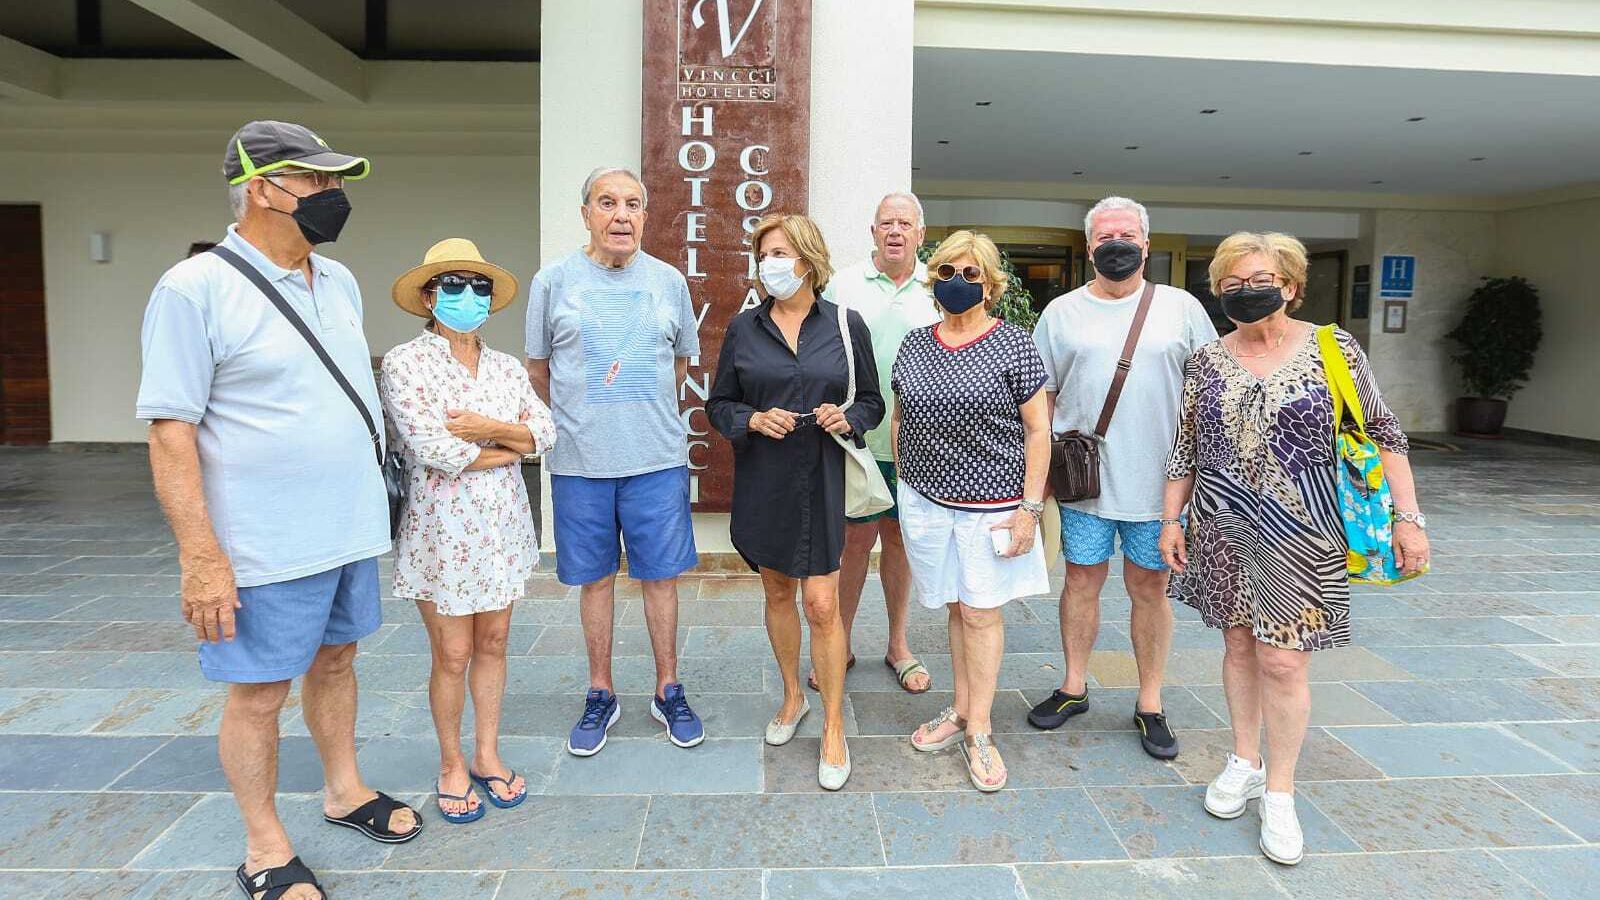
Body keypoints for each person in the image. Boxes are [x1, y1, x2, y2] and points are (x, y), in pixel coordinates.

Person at [137, 120, 419, 900]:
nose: (334, 197)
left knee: (338, 660)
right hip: (262, 544)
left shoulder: (340, 280)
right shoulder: (194, 289)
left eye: (337, 183)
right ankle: (264, 847)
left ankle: (344, 790)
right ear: (262, 187)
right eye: (317, 182)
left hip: (346, 529)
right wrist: (201, 557)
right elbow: (170, 434)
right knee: (259, 693)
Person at [1160, 231, 1430, 865]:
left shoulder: (1332, 348)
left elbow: (1387, 435)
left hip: (1304, 533)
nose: (1245, 293)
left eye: (1260, 282)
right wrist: (1170, 520)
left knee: (1283, 661)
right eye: (1231, 284)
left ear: (1290, 286)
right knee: (1234, 643)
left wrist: (1410, 519)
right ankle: (1243, 759)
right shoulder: (1205, 359)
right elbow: (1184, 447)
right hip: (1223, 528)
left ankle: (1279, 791)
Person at [1027, 196, 1218, 761]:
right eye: (1106, 237)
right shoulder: (1060, 313)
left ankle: (1151, 701)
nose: (1118, 244)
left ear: (1146, 244)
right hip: (1084, 482)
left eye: (1128, 236)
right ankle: (1073, 685)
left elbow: (1207, 391)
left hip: (1161, 486)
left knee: (1148, 587)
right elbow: (1043, 398)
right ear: (1089, 248)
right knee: (1081, 581)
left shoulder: (1181, 309)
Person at [526, 166, 705, 757]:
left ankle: (667, 687)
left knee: (660, 577)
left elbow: (679, 365)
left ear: (646, 216)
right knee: (595, 581)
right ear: (586, 214)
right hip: (580, 463)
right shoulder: (552, 282)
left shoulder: (669, 281)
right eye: (607, 202)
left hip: (655, 458)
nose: (621, 215)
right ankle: (600, 690)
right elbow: (539, 371)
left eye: (633, 204)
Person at [381, 238, 556, 823]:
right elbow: (430, 447)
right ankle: (451, 761)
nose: (467, 296)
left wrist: (484, 428)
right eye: (453, 285)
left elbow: (545, 433)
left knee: (494, 643)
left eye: (478, 286)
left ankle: (487, 751)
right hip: (440, 530)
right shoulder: (407, 363)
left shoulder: (506, 367)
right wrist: (508, 444)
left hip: (502, 526)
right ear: (429, 297)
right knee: (451, 652)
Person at [707, 213, 882, 790]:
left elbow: (873, 403)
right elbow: (720, 404)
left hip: (824, 477)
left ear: (807, 259)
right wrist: (753, 418)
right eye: (763, 254)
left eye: (779, 252)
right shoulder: (743, 328)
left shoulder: (845, 323)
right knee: (778, 590)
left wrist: (847, 415)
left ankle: (833, 724)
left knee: (823, 604)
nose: (769, 264)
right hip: (766, 478)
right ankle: (791, 699)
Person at [895, 230, 1051, 792]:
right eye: (946, 273)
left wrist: (1031, 509)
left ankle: (979, 730)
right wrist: (905, 488)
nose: (957, 283)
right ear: (932, 279)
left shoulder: (1014, 344)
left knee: (982, 611)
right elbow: (900, 418)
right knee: (956, 608)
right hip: (927, 500)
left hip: (993, 504)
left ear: (991, 286)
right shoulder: (914, 343)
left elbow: (1039, 430)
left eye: (970, 275)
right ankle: (960, 709)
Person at [822, 192, 940, 695]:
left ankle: (898, 644)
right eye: (886, 222)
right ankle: (839, 644)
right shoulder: (842, 284)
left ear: (920, 232)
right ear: (872, 231)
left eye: (905, 223)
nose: (895, 230)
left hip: (919, 444)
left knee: (900, 541)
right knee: (852, 544)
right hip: (854, 440)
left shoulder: (939, 286)